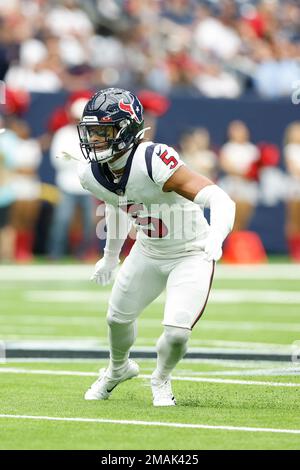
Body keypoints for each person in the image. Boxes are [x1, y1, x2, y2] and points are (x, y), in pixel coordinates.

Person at [76, 88, 235, 406]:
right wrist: (110, 258)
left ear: (126, 129)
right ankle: (118, 369)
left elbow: (219, 197)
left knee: (177, 332)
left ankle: (161, 378)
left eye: (103, 132)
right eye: (91, 132)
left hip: (191, 251)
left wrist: (216, 235)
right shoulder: (91, 174)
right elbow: (115, 206)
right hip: (148, 250)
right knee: (116, 319)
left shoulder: (152, 159)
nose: (94, 140)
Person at [219, 120, 259, 232]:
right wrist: (242, 173)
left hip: (248, 187)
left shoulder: (252, 149)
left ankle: (239, 243)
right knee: (232, 218)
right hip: (233, 186)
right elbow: (225, 165)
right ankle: (231, 244)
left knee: (244, 219)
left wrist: (251, 173)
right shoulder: (228, 148)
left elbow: (257, 168)